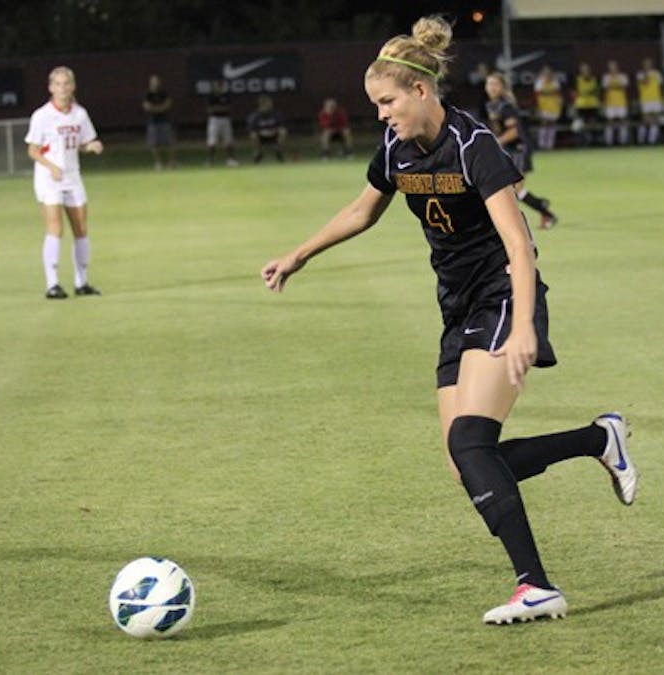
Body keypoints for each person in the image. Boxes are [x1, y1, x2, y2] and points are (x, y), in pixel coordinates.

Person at [262, 15, 640, 624]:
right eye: (375, 105)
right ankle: (599, 439)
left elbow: (519, 243)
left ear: (420, 90)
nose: (381, 115)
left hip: (502, 296)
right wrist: (299, 255)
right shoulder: (396, 149)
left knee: (470, 443)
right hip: (457, 306)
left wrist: (523, 324)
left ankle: (536, 586)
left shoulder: (473, 145)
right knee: (465, 462)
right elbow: (363, 210)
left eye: (387, 103)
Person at [25, 66, 103, 300]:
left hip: (72, 176)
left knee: (81, 229)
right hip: (49, 179)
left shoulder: (79, 114)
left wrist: (91, 146)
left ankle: (82, 282)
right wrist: (51, 166)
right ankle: (53, 284)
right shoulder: (42, 115)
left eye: (66, 83)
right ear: (51, 87)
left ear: (73, 86)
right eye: (58, 84)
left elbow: (81, 142)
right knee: (55, 228)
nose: (62, 88)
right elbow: (33, 150)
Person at [484, 71, 558, 229]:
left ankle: (545, 212)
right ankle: (540, 205)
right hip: (509, 150)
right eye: (489, 84)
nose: (491, 87)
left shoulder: (506, 106)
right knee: (512, 190)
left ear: (502, 87)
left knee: (513, 190)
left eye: (495, 84)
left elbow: (514, 132)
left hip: (519, 149)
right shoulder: (491, 105)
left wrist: (495, 142)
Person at [143, 74, 175, 170]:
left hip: (164, 121)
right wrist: (160, 108)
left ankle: (171, 162)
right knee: (154, 144)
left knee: (169, 142)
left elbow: (167, 105)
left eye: (157, 81)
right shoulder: (147, 94)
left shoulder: (164, 93)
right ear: (150, 83)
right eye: (154, 81)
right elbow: (147, 107)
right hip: (153, 122)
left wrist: (155, 108)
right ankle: (158, 163)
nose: (156, 83)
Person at [247, 94, 288, 163]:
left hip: (274, 135)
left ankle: (278, 150)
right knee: (253, 135)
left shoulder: (276, 114)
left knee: (283, 131)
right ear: (262, 104)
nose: (271, 105)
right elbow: (251, 130)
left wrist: (273, 131)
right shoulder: (254, 116)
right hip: (261, 136)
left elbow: (281, 126)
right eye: (269, 103)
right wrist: (263, 132)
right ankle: (258, 152)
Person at [206, 79, 238, 167]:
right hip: (214, 120)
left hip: (226, 119)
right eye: (218, 85)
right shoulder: (211, 96)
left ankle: (230, 160)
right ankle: (210, 160)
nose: (219, 87)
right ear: (214, 86)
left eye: (221, 85)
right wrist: (221, 108)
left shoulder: (226, 96)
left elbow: (229, 108)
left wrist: (218, 108)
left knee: (228, 140)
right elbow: (210, 110)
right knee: (212, 141)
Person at [600, 59, 630, 146]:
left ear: (617, 67)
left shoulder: (623, 76)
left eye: (613, 67)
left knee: (623, 121)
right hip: (610, 102)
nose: (612, 69)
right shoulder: (606, 77)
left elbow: (624, 86)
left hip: (621, 102)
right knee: (609, 122)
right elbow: (605, 87)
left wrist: (613, 86)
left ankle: (623, 141)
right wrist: (617, 86)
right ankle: (609, 142)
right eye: (610, 67)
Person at [533, 65, 563, 150]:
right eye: (545, 73)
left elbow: (557, 93)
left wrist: (558, 101)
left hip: (553, 105)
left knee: (552, 124)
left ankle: (550, 144)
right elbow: (537, 93)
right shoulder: (539, 82)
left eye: (548, 73)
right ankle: (542, 144)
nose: (547, 74)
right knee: (544, 123)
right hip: (543, 105)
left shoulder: (555, 82)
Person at [570, 61, 600, 146]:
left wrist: (592, 93)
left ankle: (591, 141)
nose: (585, 71)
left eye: (586, 69)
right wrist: (577, 98)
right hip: (581, 104)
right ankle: (580, 140)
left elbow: (598, 91)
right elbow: (573, 92)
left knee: (592, 123)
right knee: (579, 123)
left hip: (592, 104)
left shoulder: (594, 79)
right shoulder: (577, 79)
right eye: (583, 69)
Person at [635, 57, 664, 145]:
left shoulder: (657, 74)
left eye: (649, 64)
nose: (647, 65)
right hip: (645, 100)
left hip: (656, 99)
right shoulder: (640, 74)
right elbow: (645, 82)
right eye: (645, 64)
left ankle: (652, 140)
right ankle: (641, 140)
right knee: (645, 120)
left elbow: (660, 86)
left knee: (656, 119)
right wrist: (646, 73)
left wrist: (662, 98)